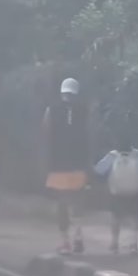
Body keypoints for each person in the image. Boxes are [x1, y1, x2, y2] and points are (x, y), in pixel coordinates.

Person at [42, 78, 91, 255]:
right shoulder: (84, 111)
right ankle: (78, 236)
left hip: (58, 166)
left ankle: (65, 242)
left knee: (62, 204)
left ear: (62, 92)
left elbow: (46, 133)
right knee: (77, 203)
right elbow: (89, 135)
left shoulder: (51, 110)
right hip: (78, 166)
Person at [95, 137, 138, 255]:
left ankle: (115, 243)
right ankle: (133, 244)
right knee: (134, 218)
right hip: (134, 192)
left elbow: (99, 170)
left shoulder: (112, 156)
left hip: (117, 192)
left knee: (116, 217)